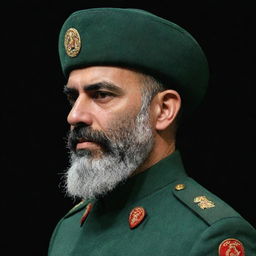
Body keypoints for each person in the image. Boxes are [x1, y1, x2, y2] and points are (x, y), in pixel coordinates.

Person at [48, 7, 256, 256]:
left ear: (163, 110)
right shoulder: (69, 229)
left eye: (101, 95)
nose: (74, 116)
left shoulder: (209, 236)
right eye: (73, 97)